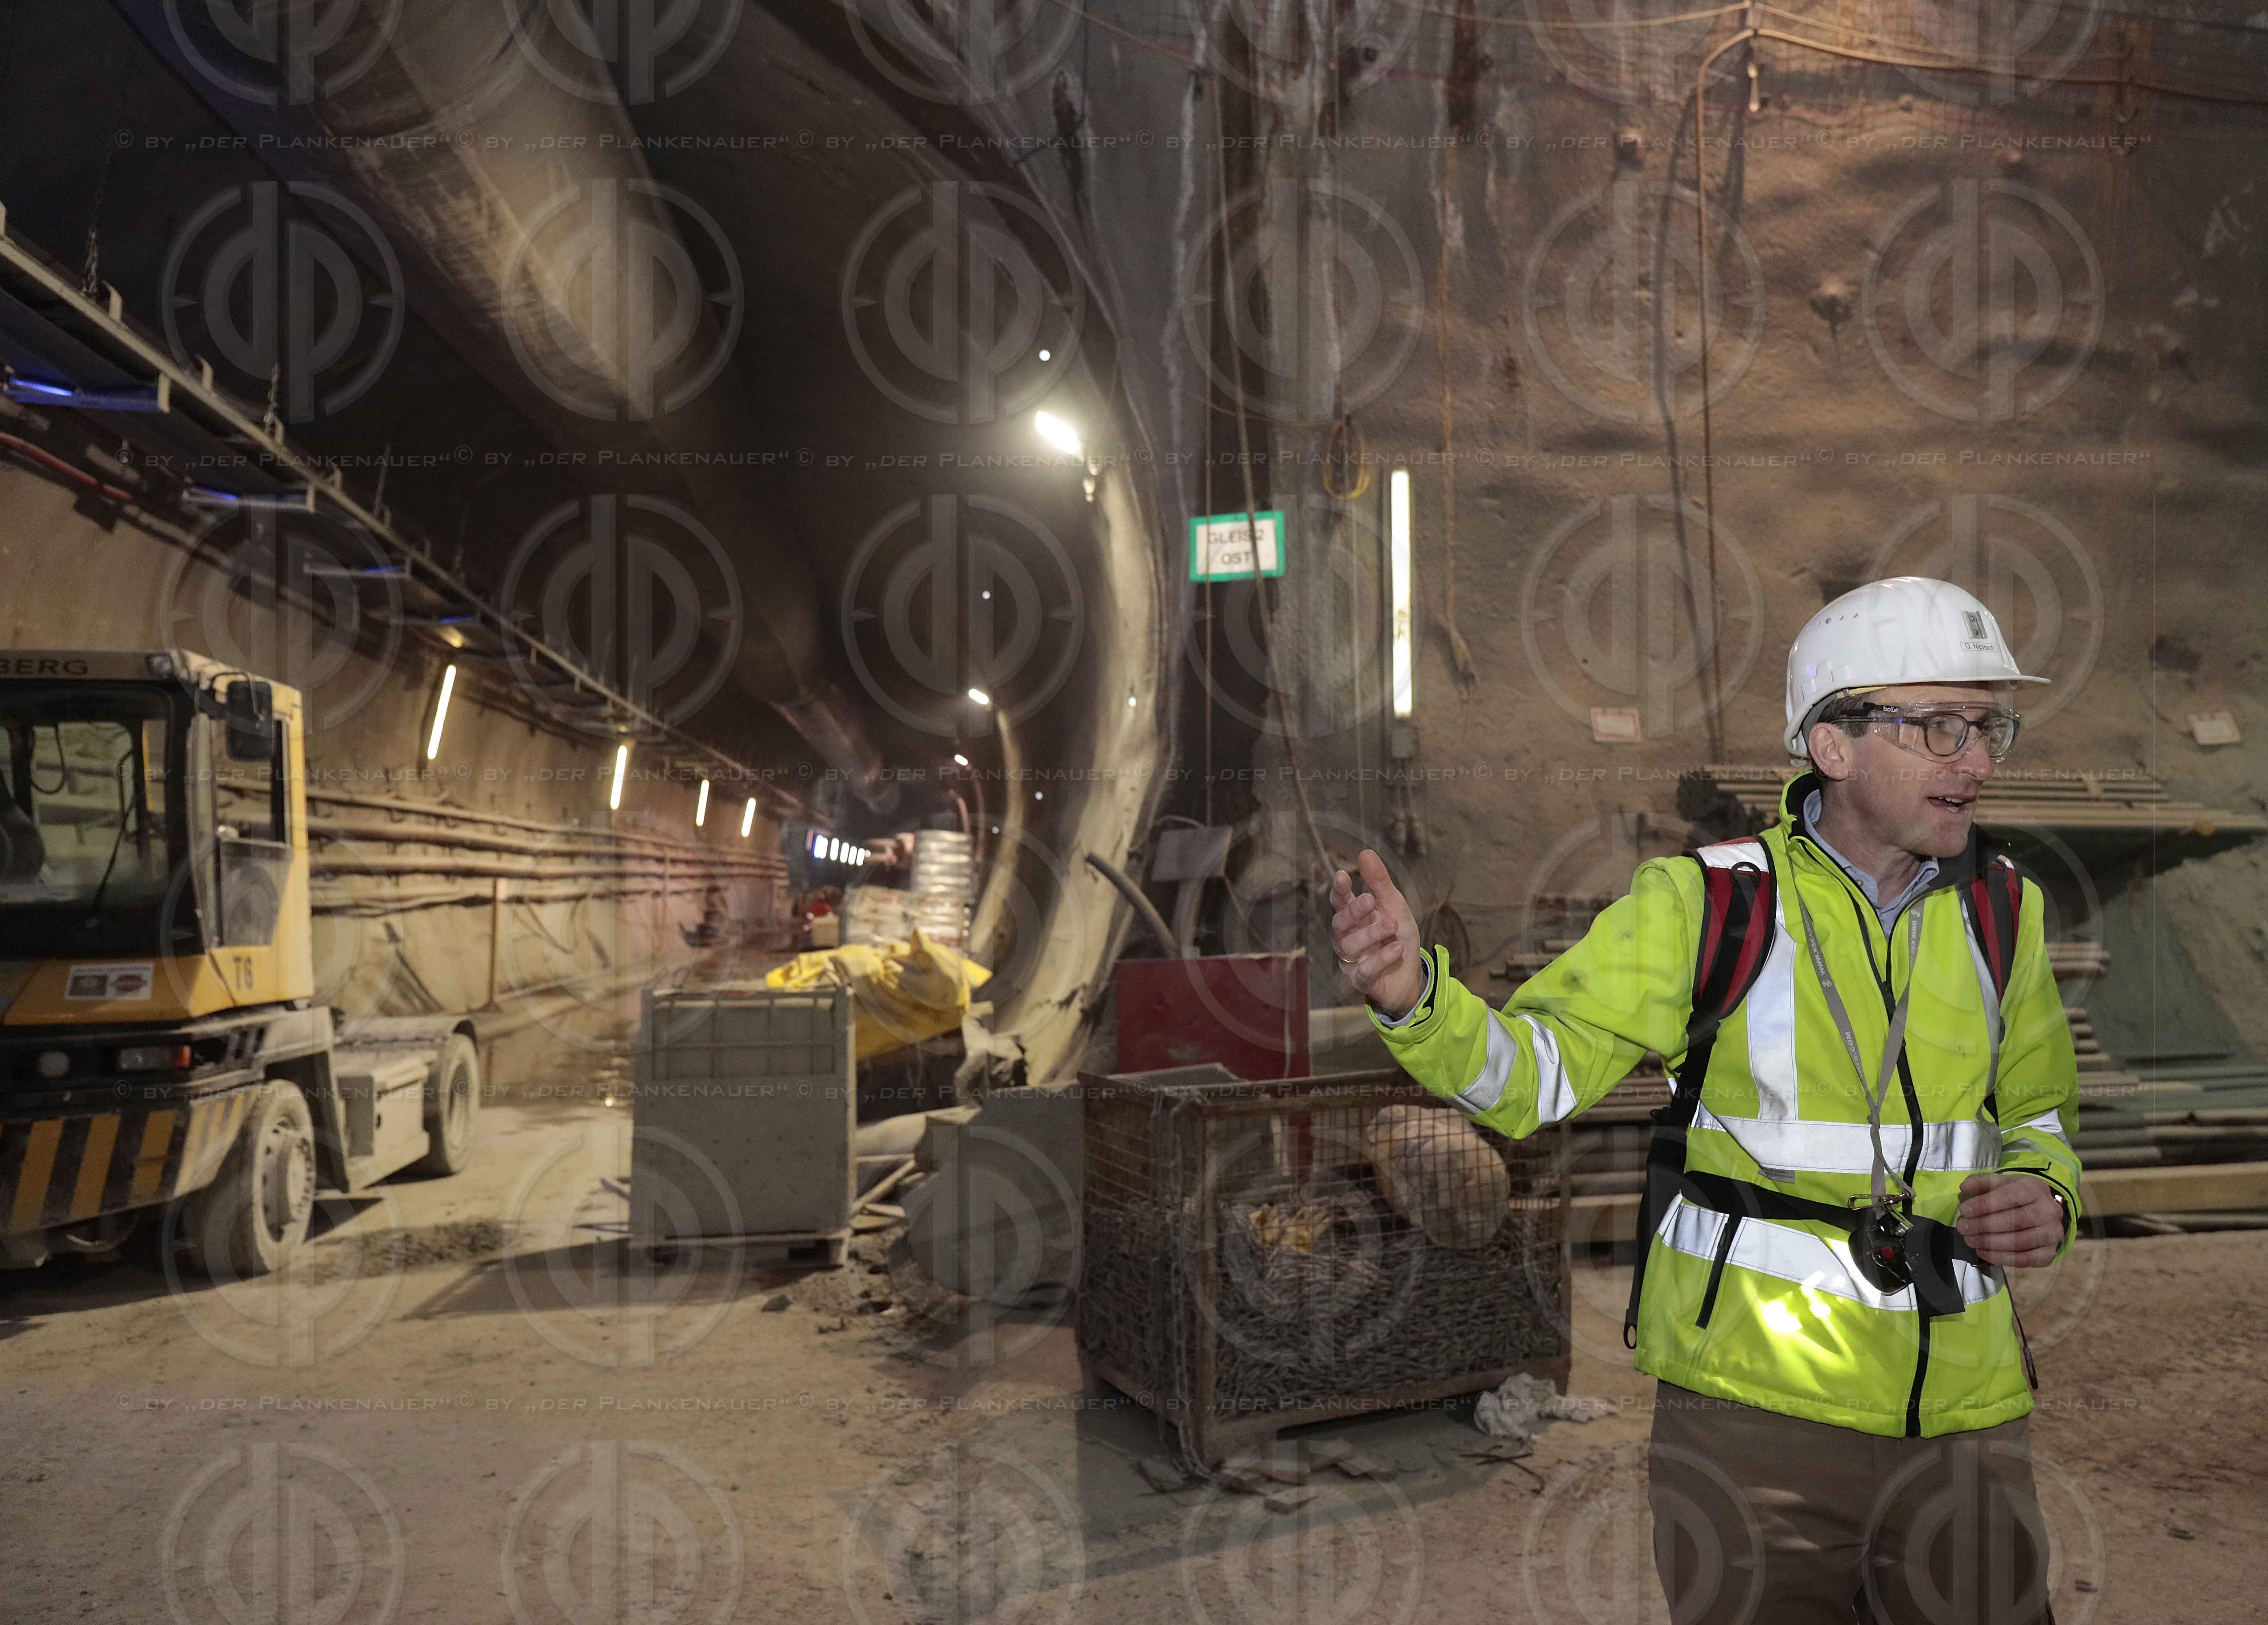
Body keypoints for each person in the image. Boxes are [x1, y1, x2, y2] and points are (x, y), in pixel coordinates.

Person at [1331, 577, 2080, 1624]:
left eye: (1987, 724)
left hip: (1969, 1414)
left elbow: (2038, 1107)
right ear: (1832, 745)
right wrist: (1414, 998)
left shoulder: (2006, 912)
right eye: (1939, 725)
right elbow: (1526, 1078)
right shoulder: (1707, 905)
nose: (1978, 760)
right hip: (1755, 1427)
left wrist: (2046, 1191)